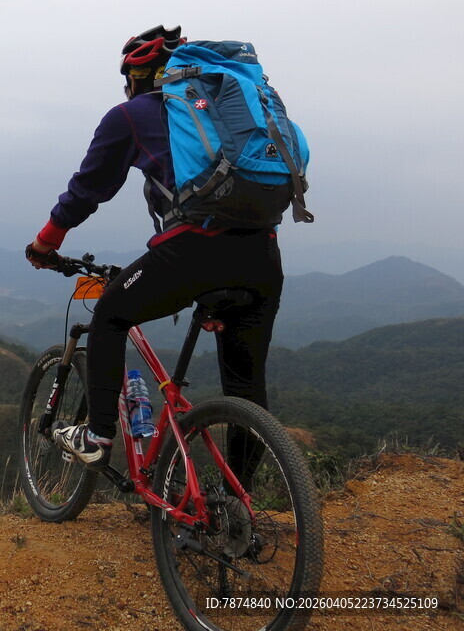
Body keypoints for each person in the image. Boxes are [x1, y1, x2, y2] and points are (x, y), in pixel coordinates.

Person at [25, 24, 285, 469]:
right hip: (263, 254)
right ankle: (237, 504)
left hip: (194, 252)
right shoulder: (227, 114)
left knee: (110, 314)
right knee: (246, 389)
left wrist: (45, 244)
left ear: (136, 77)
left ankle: (96, 436)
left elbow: (86, 191)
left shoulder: (132, 115)